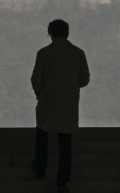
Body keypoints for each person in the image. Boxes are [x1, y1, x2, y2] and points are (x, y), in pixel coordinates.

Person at [30, 19, 90, 193]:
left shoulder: (43, 53)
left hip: (47, 101)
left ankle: (40, 167)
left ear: (50, 33)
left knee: (42, 134)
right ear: (67, 33)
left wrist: (40, 94)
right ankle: (62, 182)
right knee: (65, 143)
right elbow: (84, 79)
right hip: (68, 103)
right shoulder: (78, 53)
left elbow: (36, 79)